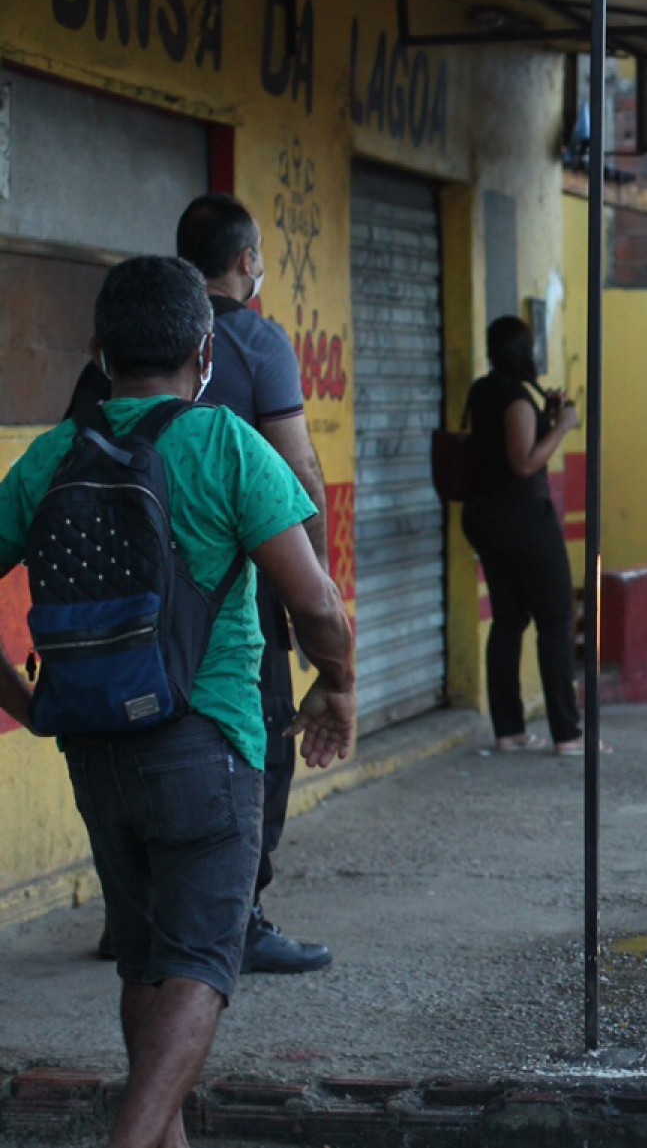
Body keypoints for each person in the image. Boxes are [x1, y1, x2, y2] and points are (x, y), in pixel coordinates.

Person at [0, 256, 356, 1148]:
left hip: (93, 745)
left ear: (98, 351)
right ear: (205, 352)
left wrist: (30, 705)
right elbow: (315, 600)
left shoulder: (52, 454)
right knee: (202, 960)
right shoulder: (226, 442)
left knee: (146, 956)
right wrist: (337, 686)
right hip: (209, 741)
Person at [68, 194, 335, 974]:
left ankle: (135, 918)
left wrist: (25, 697)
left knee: (122, 752)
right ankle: (238, 915)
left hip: (110, 613)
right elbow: (299, 463)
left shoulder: (108, 361)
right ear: (247, 260)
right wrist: (316, 579)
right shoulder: (255, 343)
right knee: (257, 748)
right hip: (225, 603)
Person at [462, 316, 599, 755]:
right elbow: (523, 463)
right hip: (522, 518)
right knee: (555, 619)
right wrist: (563, 426)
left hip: (484, 517)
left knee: (509, 619)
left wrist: (548, 414)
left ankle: (510, 729)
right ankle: (568, 733)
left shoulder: (483, 390)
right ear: (526, 351)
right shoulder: (516, 399)